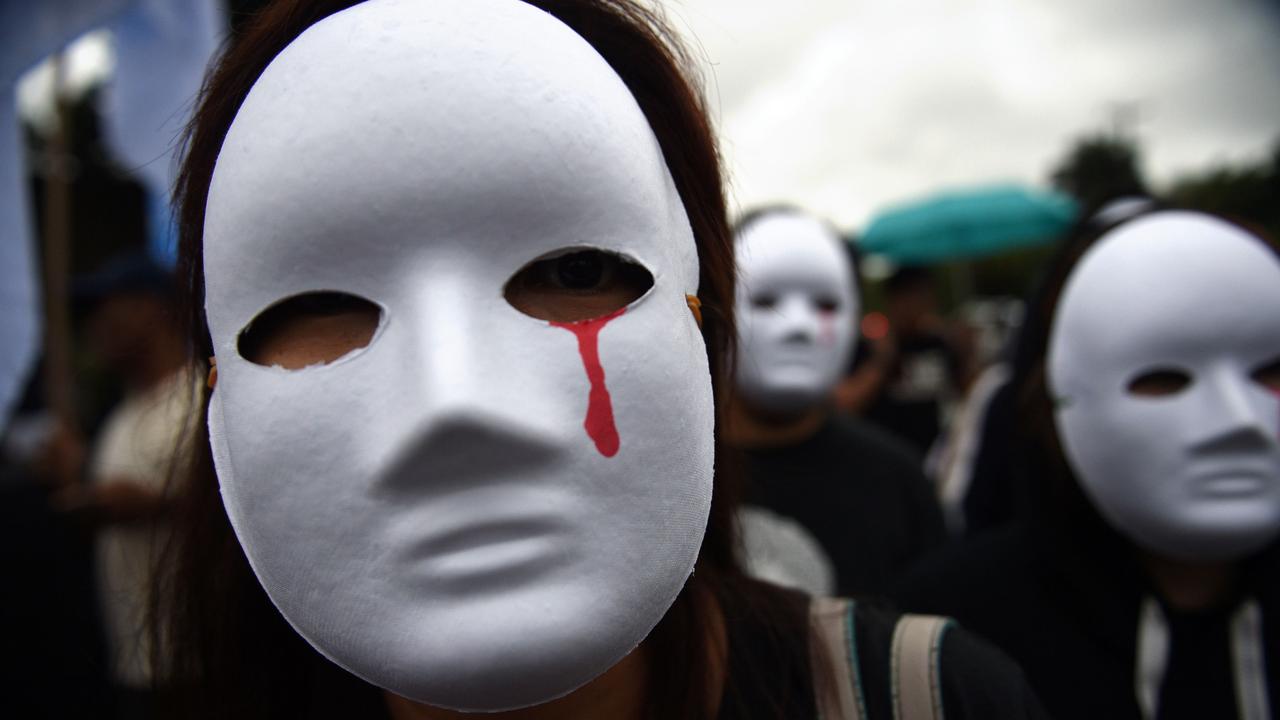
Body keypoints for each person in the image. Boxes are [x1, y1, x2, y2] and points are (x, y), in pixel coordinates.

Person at [153, 1, 1049, 718]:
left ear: (704, 318)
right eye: (317, 302)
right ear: (212, 384)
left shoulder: (935, 698)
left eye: (574, 271)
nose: (455, 403)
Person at [893, 207, 1280, 719]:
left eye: (1269, 373)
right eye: (1163, 377)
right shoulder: (946, 636)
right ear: (1057, 395)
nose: (1241, 420)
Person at [728, 208, 945, 596]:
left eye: (825, 305)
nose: (798, 326)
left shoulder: (900, 484)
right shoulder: (668, 488)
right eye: (765, 301)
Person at [841, 266, 968, 457]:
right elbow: (847, 405)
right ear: (894, 300)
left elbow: (966, 394)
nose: (921, 306)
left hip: (935, 456)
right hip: (885, 458)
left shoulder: (937, 343)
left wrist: (965, 350)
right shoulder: (873, 347)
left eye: (926, 297)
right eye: (914, 296)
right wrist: (882, 359)